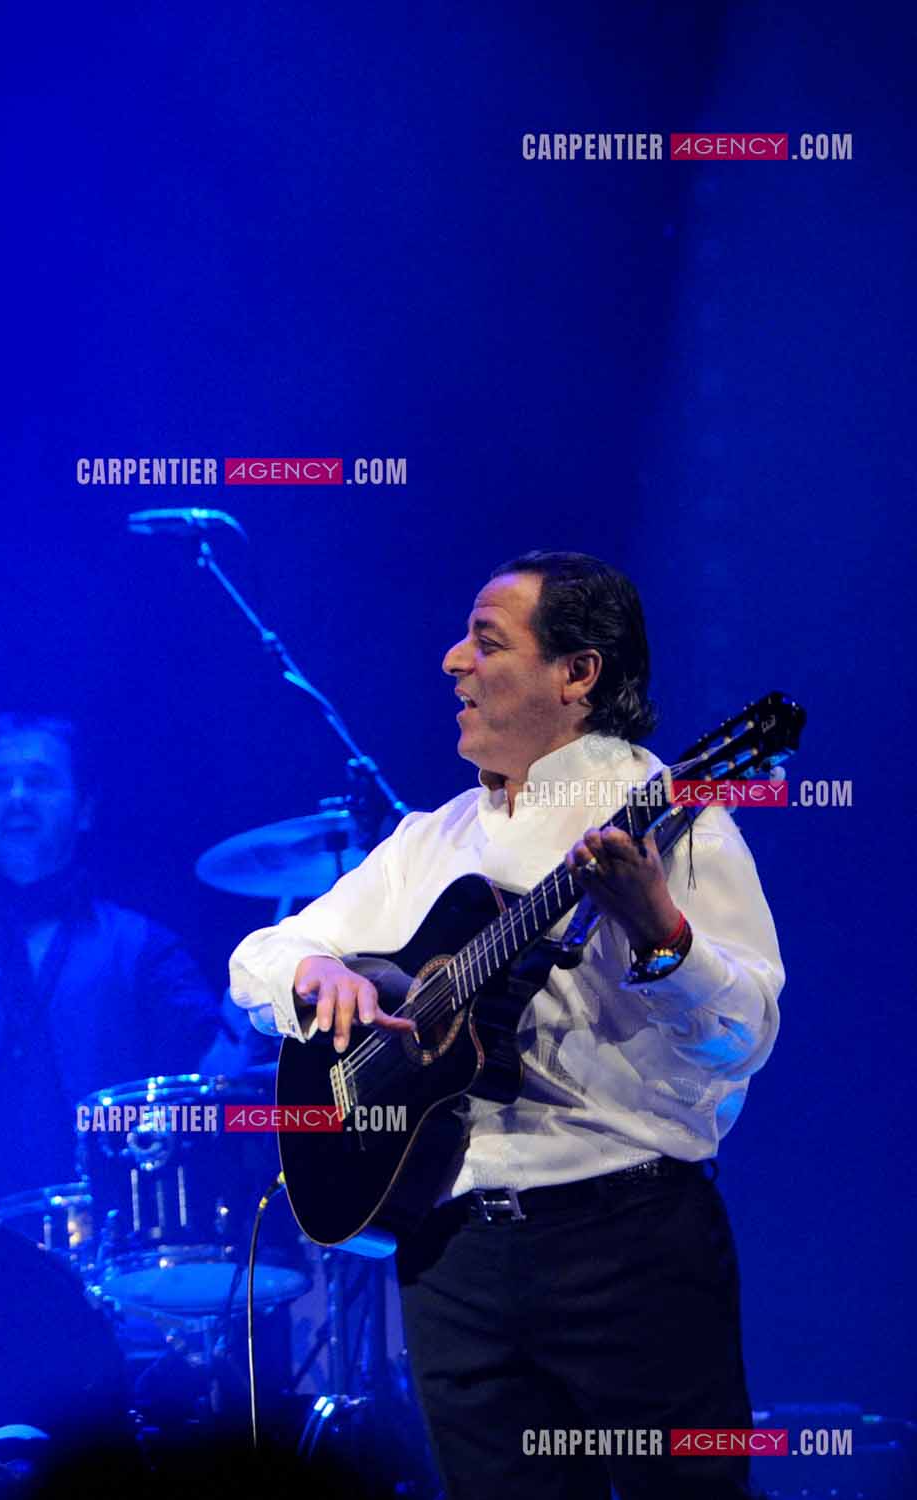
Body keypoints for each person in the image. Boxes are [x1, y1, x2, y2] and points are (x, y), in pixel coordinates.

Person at [229, 551, 783, 1500]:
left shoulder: (670, 811)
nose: (453, 661)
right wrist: (318, 973)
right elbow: (256, 958)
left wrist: (664, 935)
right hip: (453, 1259)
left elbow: (746, 1031)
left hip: (628, 1241)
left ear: (579, 674)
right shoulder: (430, 838)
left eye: (487, 642)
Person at [0, 712, 258, 1209]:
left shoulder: (142, 947)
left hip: (103, 1232)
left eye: (41, 780)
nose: (18, 798)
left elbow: (206, 1085)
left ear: (85, 810)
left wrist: (248, 1028)